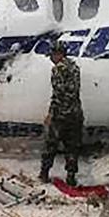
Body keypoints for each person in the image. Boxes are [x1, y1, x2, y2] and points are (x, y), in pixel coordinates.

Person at [40, 41, 83, 185]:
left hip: (61, 115)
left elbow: (58, 94)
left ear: (58, 54)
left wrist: (51, 113)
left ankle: (44, 173)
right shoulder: (74, 67)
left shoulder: (58, 69)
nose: (51, 59)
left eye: (52, 55)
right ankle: (71, 176)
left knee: (51, 145)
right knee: (72, 146)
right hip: (75, 114)